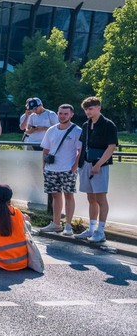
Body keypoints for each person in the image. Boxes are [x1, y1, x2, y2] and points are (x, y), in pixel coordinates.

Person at [75, 96, 118, 243]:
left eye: (91, 109)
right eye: (86, 109)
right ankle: (92, 228)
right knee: (90, 198)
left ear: (99, 107)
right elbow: (81, 146)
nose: (88, 112)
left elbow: (111, 147)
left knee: (101, 198)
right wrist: (78, 164)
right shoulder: (86, 125)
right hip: (86, 163)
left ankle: (101, 230)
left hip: (100, 164)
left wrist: (99, 164)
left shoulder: (108, 124)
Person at [38, 104, 82, 235]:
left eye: (65, 114)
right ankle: (56, 223)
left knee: (69, 195)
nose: (62, 116)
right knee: (55, 195)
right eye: (60, 113)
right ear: (57, 113)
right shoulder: (51, 130)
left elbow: (80, 150)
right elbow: (45, 149)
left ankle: (68, 225)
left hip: (68, 168)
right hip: (51, 168)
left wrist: (75, 167)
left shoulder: (77, 130)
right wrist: (44, 166)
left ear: (71, 115)